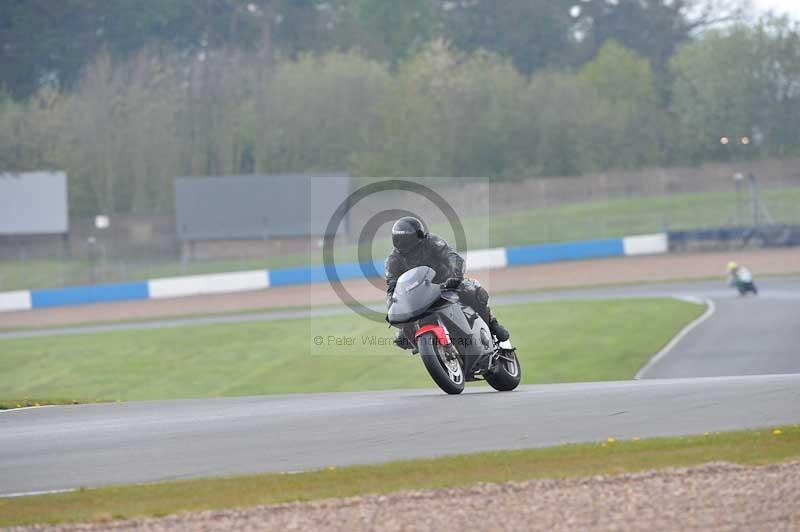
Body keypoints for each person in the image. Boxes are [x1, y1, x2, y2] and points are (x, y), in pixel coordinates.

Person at [385, 216, 510, 350]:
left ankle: (491, 323)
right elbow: (393, 287)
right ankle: (424, 347)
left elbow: (452, 257)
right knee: (401, 338)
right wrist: (393, 306)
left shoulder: (431, 241)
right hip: (419, 296)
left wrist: (455, 277)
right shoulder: (393, 260)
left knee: (473, 291)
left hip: (446, 284)